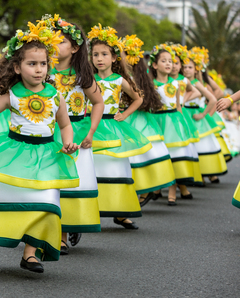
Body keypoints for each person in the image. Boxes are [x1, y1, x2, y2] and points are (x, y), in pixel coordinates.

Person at [0, 20, 79, 273]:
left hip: (45, 156)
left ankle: (30, 253)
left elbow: (65, 125)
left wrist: (68, 142)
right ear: (18, 68)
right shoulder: (12, 96)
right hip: (11, 153)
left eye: (43, 64)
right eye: (32, 64)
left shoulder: (55, 96)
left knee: (44, 203)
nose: (39, 69)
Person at [42, 15, 112, 253]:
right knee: (49, 182)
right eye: (49, 41)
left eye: (60, 42)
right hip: (47, 132)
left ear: (74, 47)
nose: (53, 46)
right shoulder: (41, 72)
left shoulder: (82, 75)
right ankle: (43, 231)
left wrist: (91, 132)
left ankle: (63, 233)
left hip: (76, 132)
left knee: (69, 184)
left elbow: (99, 103)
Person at [87, 24, 151, 229]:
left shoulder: (119, 80)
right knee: (93, 169)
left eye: (104, 54)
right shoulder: (87, 80)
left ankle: (121, 212)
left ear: (114, 58)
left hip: (113, 128)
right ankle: (89, 211)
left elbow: (138, 98)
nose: (99, 58)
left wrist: (124, 114)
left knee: (117, 168)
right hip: (92, 127)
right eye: (95, 54)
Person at [123, 36, 176, 207]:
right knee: (130, 157)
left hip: (137, 118)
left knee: (143, 153)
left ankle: (145, 189)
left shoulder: (138, 77)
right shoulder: (119, 75)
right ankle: (136, 192)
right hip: (124, 118)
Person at [148, 44, 201, 205]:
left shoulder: (177, 84)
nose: (169, 64)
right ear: (155, 65)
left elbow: (178, 105)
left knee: (175, 156)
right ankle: (157, 187)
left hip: (173, 122)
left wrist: (183, 125)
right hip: (157, 121)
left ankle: (172, 190)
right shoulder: (151, 84)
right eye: (164, 61)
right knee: (161, 156)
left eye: (170, 61)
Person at [183, 47, 227, 183]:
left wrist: (204, 114)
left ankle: (205, 173)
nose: (186, 69)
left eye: (190, 67)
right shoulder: (180, 81)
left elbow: (216, 94)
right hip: (184, 114)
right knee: (190, 145)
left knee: (202, 144)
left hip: (196, 113)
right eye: (184, 67)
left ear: (196, 69)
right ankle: (195, 174)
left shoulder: (197, 82)